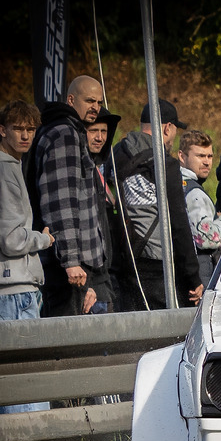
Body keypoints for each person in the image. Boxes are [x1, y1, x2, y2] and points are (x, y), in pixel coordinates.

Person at [0, 100, 55, 413]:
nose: (25, 135)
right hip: (12, 288)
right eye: (18, 129)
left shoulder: (4, 167)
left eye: (30, 129)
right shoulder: (2, 171)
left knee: (7, 380)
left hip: (8, 286)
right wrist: (43, 239)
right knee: (24, 381)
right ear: (1, 131)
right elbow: (11, 238)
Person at [27, 74, 110, 317]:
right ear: (71, 99)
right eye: (90, 100)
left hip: (73, 262)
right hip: (69, 267)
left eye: (99, 102)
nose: (95, 107)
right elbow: (61, 202)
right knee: (71, 344)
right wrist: (71, 260)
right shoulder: (65, 133)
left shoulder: (67, 130)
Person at [111, 98, 202, 310]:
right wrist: (193, 277)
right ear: (168, 128)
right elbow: (178, 222)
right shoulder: (164, 163)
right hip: (157, 270)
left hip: (122, 266)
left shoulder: (116, 155)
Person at [178, 129, 221, 286]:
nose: (207, 162)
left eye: (209, 156)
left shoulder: (176, 183)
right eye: (200, 156)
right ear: (182, 156)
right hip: (200, 272)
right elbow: (206, 239)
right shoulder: (194, 194)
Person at [85, 106, 122, 313]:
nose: (99, 138)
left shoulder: (101, 168)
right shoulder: (81, 169)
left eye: (104, 132)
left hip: (105, 275)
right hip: (89, 279)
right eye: (93, 131)